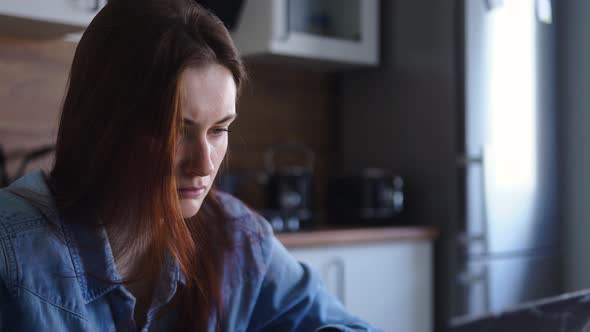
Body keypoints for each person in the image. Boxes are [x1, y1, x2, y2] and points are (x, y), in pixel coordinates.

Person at [0, 0, 379, 331]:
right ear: (105, 124)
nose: (203, 164)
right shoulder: (11, 249)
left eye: (219, 129)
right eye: (176, 132)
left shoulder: (236, 237)